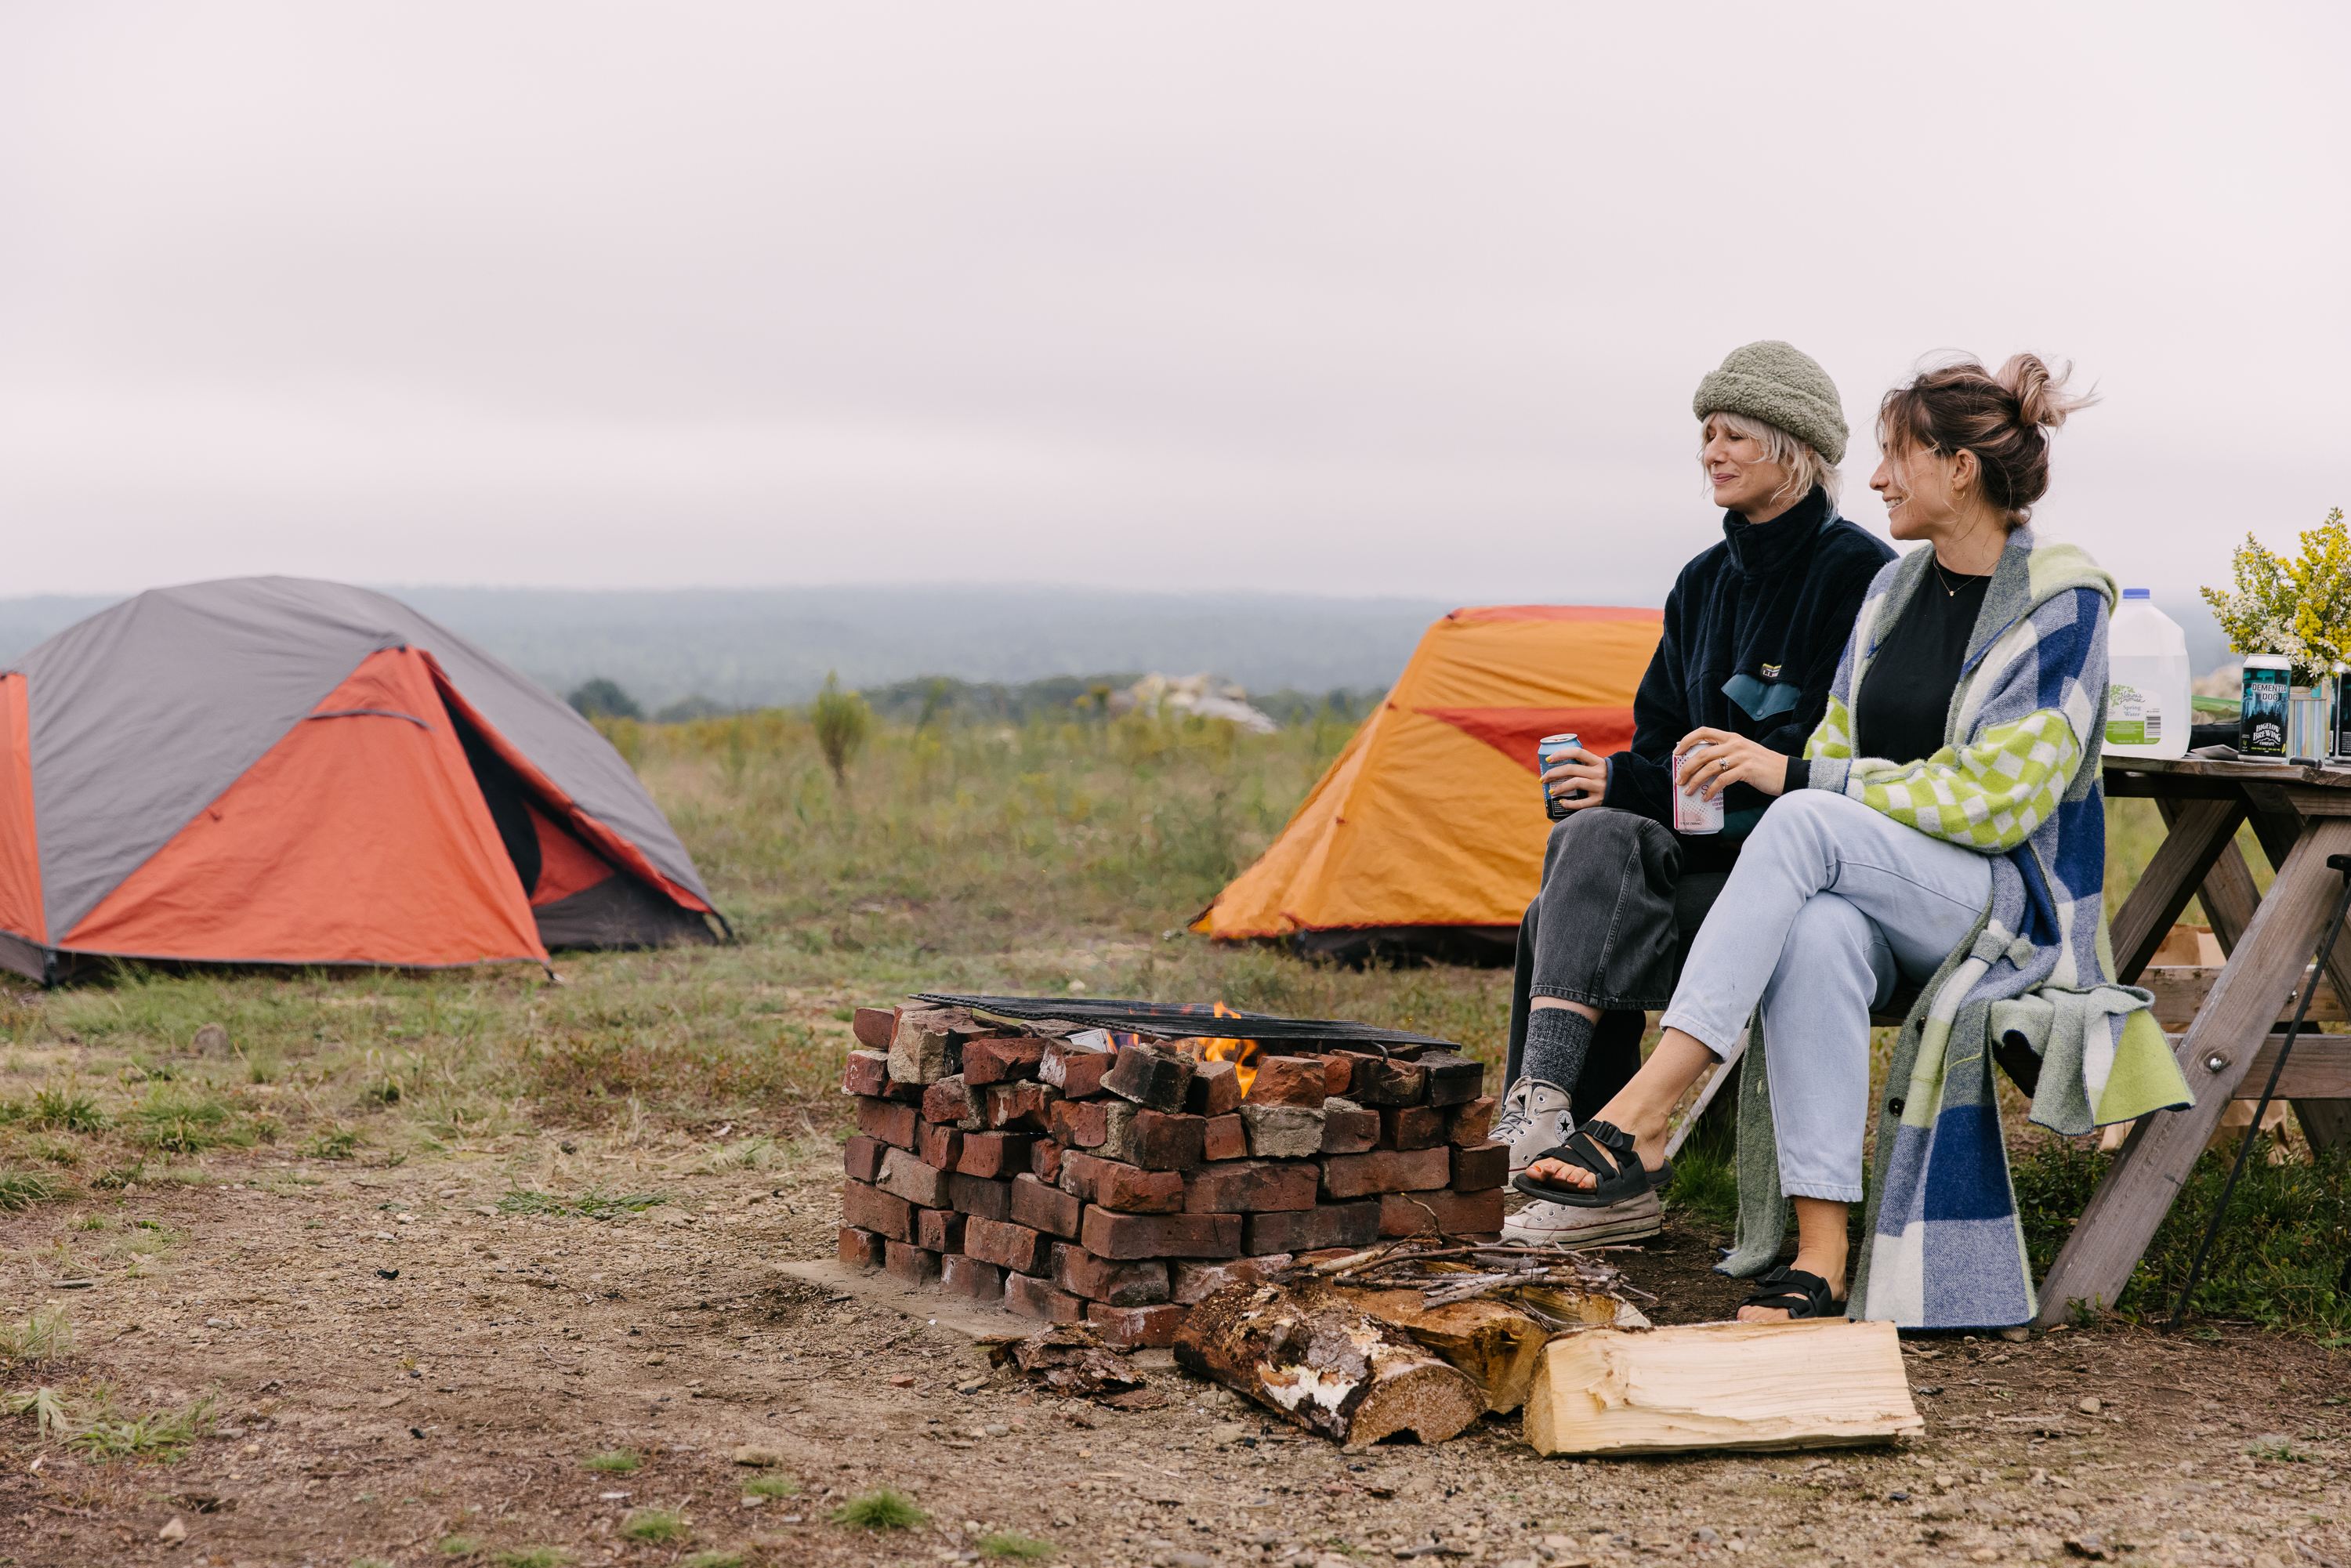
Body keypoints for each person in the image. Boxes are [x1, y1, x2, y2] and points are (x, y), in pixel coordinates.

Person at [1515, 353, 2191, 1329]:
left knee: (1798, 813)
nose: (1875, 478)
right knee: (1818, 931)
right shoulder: (1895, 595)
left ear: (1959, 469)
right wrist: (1814, 781)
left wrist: (1799, 779)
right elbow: (1839, 745)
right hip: (1892, 890)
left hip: (2007, 902)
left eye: (1894, 456)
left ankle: (1645, 1106)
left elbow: (2000, 800)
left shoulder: (2063, 598)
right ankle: (1823, 1255)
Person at [1497, 342, 1893, 1248]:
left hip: (1789, 870)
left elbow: (1830, 759)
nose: (1712, 452)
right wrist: (1613, 785)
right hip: (1686, 852)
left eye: (1735, 436)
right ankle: (1553, 1117)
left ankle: (1601, 1177)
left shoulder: (1858, 578)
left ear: (1793, 449)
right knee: (1589, 845)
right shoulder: (1700, 583)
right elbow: (1654, 739)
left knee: (1562, 910)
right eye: (1706, 435)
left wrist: (1634, 779)